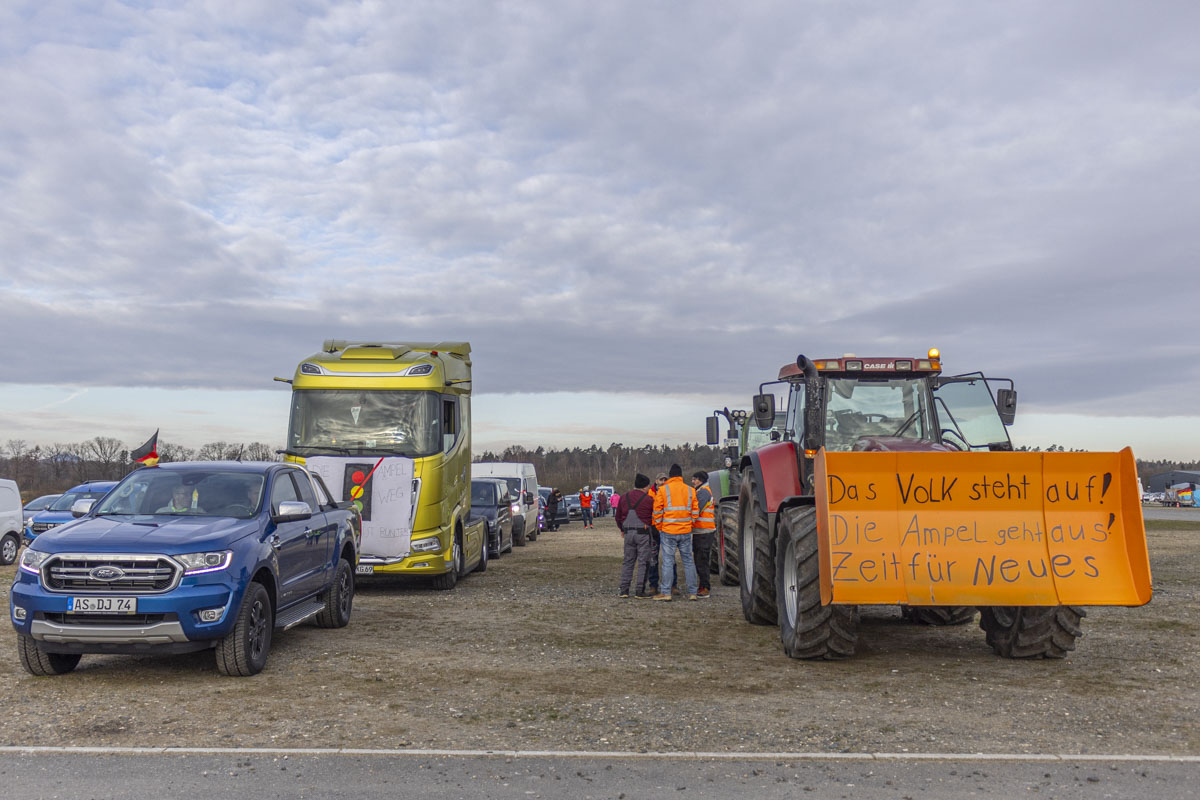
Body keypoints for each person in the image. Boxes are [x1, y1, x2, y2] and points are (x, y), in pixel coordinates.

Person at [652, 464, 699, 601]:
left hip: (668, 531)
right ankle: (693, 592)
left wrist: (660, 526)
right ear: (681, 475)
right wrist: (690, 524)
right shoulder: (690, 490)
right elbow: (695, 511)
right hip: (685, 530)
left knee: (668, 561)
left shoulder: (663, 490)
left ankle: (666, 592)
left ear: (670, 475)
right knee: (688, 561)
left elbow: (657, 511)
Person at [615, 473, 655, 598]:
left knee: (628, 561)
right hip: (643, 534)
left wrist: (622, 529)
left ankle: (624, 590)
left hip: (628, 533)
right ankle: (639, 590)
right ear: (645, 487)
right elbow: (654, 517)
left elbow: (618, 516)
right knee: (644, 562)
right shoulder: (649, 499)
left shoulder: (623, 497)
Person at [691, 470, 715, 597]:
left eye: (695, 479)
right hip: (701, 531)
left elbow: (696, 510)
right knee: (699, 559)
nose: (693, 482)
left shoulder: (703, 492)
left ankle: (705, 587)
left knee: (702, 560)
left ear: (701, 480)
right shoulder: (701, 491)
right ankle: (702, 585)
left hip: (704, 531)